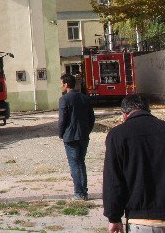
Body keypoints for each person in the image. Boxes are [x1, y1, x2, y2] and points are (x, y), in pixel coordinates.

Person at [103, 94, 165, 233]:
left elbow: (113, 180)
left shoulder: (118, 134)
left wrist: (114, 217)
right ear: (149, 110)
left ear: (124, 115)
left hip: (141, 219)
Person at [58, 72, 95, 200]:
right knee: (81, 163)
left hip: (70, 136)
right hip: (83, 135)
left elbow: (62, 119)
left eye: (62, 83)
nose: (61, 85)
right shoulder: (85, 98)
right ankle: (84, 191)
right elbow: (92, 118)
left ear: (66, 84)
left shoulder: (64, 99)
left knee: (74, 164)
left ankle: (79, 192)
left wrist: (61, 133)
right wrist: (87, 130)